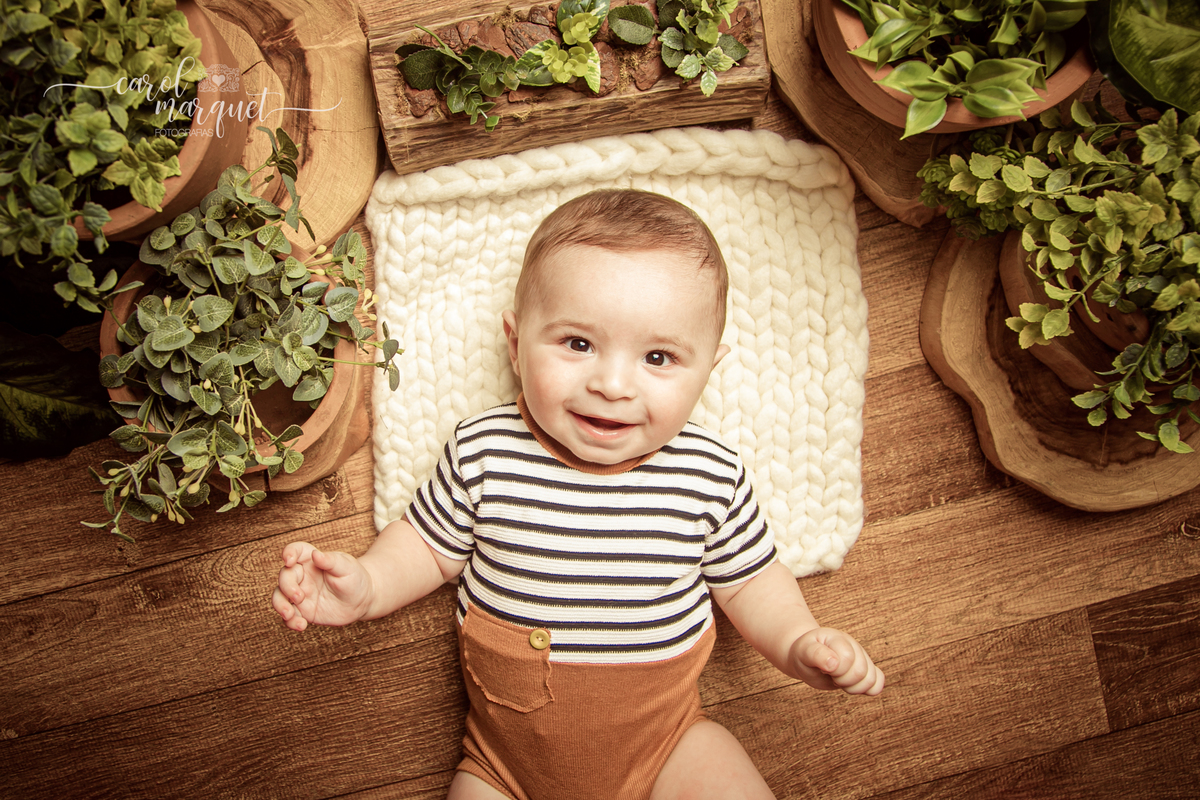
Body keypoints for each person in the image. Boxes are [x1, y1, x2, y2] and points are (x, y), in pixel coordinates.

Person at [271, 189, 884, 800]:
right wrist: (369, 585)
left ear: (707, 371)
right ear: (515, 344)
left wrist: (797, 641)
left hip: (667, 748)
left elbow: (751, 583)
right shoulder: (485, 449)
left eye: (659, 357)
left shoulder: (709, 472)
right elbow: (426, 549)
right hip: (503, 768)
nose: (612, 384)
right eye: (578, 344)